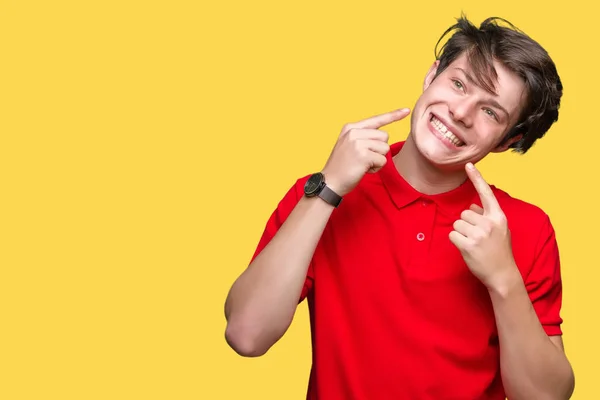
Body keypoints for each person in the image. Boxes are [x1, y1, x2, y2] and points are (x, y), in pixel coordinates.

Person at [223, 15, 575, 400]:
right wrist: (329, 188)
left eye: (490, 111)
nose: (460, 112)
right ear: (431, 76)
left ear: (508, 141)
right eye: (458, 83)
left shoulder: (524, 227)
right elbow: (246, 335)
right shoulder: (322, 194)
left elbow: (546, 397)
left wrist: (504, 279)